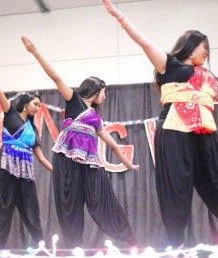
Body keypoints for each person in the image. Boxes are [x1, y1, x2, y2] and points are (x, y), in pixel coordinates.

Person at [102, 0, 218, 248]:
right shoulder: (169, 66)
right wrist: (120, 17)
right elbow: (145, 42)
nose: (207, 53)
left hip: (204, 136)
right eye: (205, 48)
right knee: (176, 188)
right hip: (174, 133)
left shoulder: (208, 78)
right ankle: (176, 244)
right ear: (192, 47)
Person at [21, 36, 139, 249]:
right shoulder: (74, 100)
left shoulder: (97, 119)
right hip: (66, 162)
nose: (105, 97)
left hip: (90, 165)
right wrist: (35, 52)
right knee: (69, 207)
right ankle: (73, 249)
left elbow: (112, 145)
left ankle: (129, 240)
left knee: (103, 200)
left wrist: (128, 164)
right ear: (95, 91)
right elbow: (56, 77)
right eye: (104, 93)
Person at [0, 47, 53, 249]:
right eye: (35, 104)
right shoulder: (10, 114)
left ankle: (43, 249)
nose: (37, 108)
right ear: (26, 104)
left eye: (39, 105)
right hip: (6, 167)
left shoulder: (33, 129)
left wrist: (57, 171)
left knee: (32, 211)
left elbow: (41, 157)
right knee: (2, 209)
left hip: (25, 172)